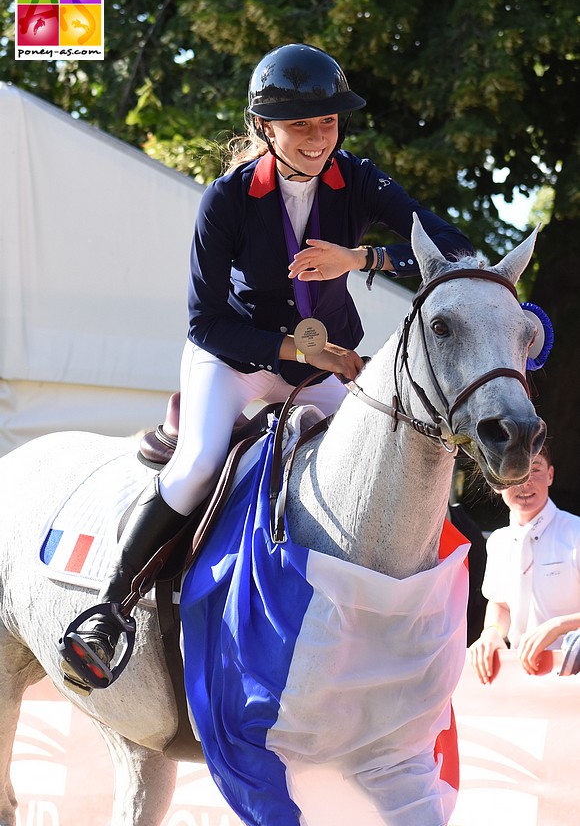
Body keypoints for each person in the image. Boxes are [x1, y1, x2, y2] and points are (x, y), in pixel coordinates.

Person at [59, 42, 473, 692]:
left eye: (328, 123)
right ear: (265, 127)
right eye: (301, 125)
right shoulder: (227, 199)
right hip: (238, 357)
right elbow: (204, 321)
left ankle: (428, 612)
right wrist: (294, 352)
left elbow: (455, 245)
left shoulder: (359, 179)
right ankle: (108, 611)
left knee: (392, 454)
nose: (318, 138)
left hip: (324, 364)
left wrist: (360, 260)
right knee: (197, 463)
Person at [469, 442, 580, 683]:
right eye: (514, 473)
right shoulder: (498, 541)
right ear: (497, 484)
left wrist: (558, 626)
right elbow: (500, 604)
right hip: (519, 676)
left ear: (550, 475)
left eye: (535, 470)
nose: (524, 483)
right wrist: (492, 633)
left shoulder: (576, 533)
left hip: (573, 673)